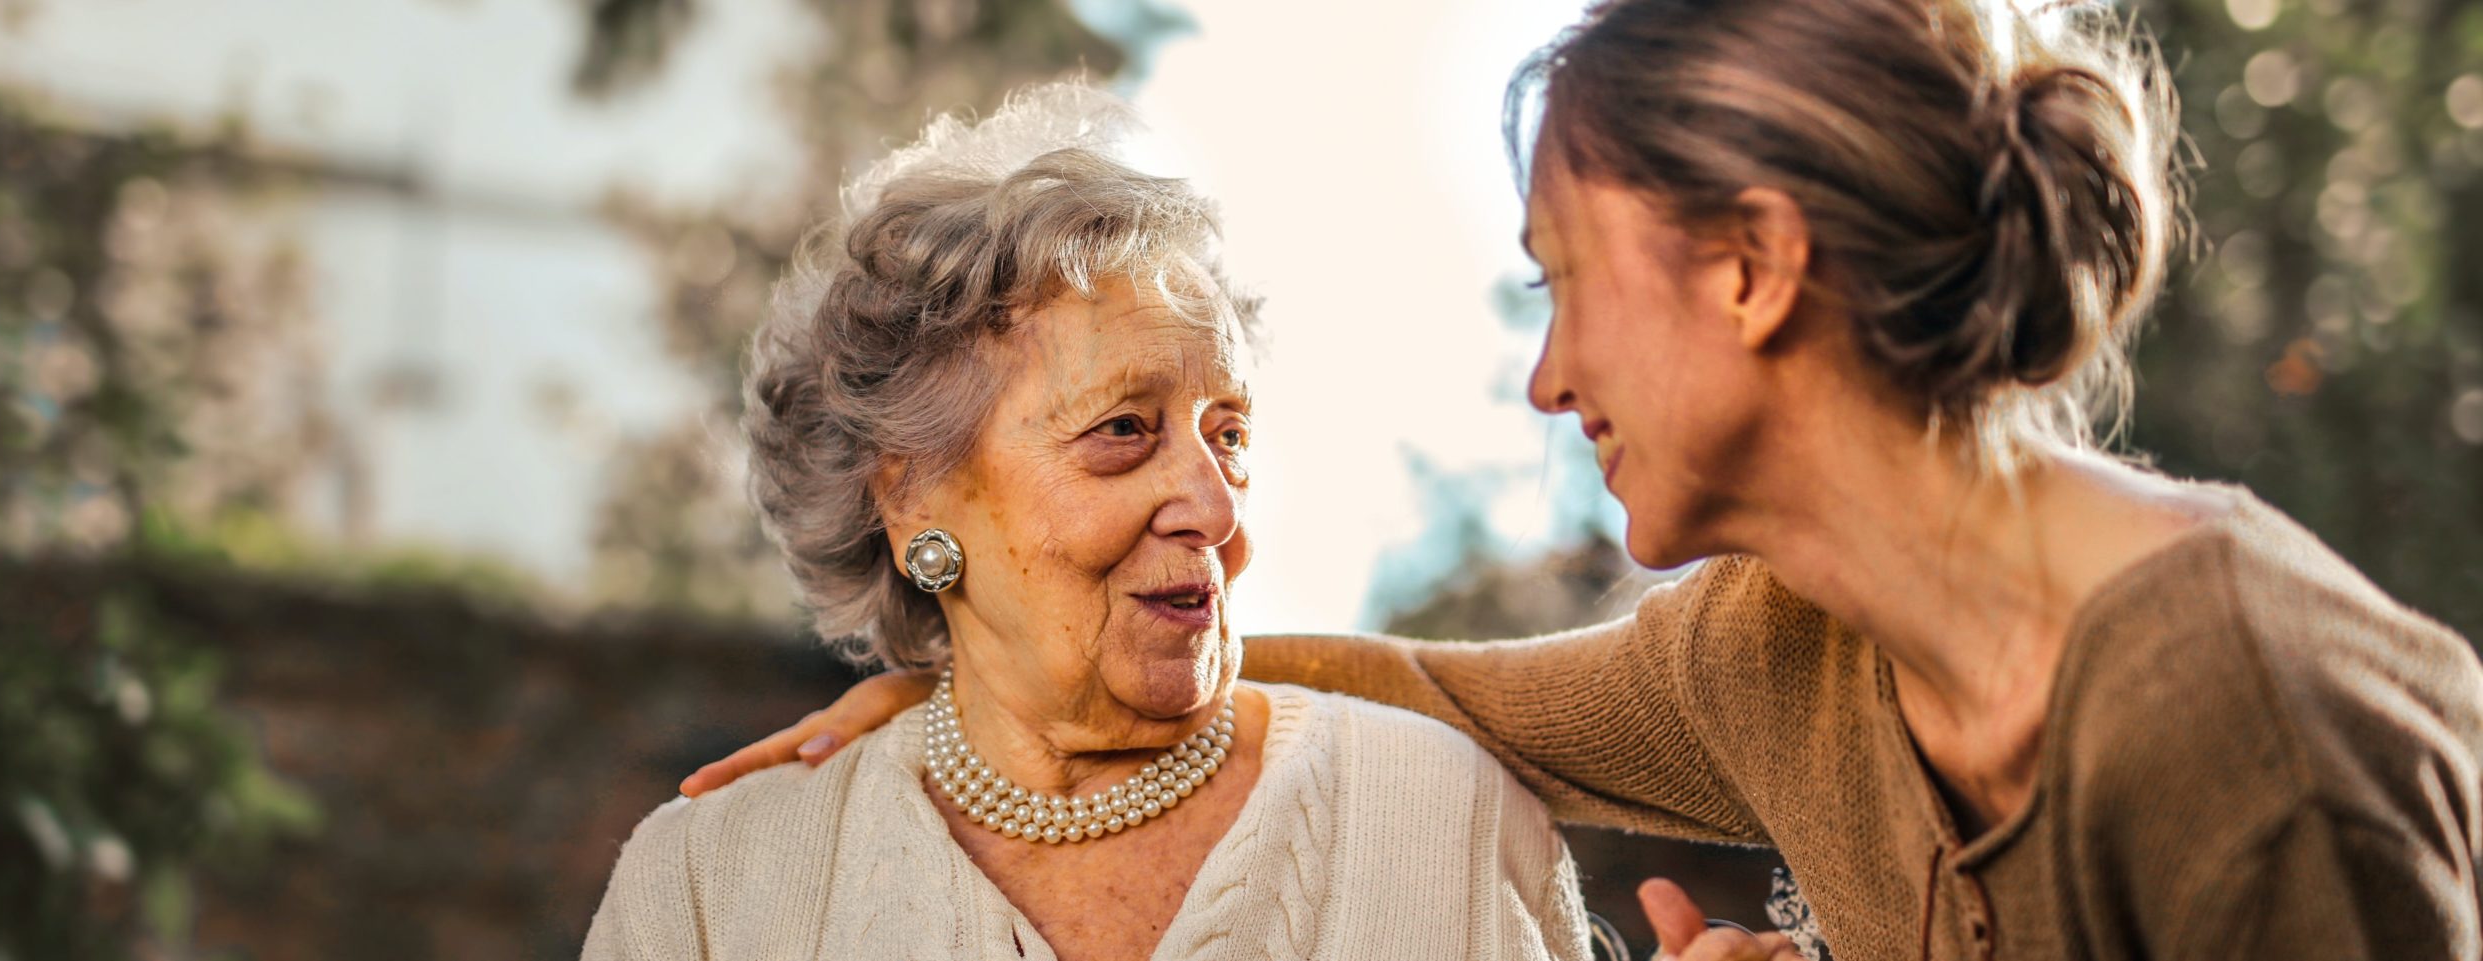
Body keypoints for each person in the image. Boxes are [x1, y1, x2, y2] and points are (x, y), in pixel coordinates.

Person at [676, 2, 2483, 959]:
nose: (1548, 374)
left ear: (1754, 268)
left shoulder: (2233, 720)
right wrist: (961, 673)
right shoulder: (1782, 649)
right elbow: (1433, 690)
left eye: (1563, 277)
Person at [580, 84, 1594, 961]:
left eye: (1228, 433)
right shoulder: (710, 890)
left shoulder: (1444, 821)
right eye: (1122, 429)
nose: (1214, 505)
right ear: (911, 496)